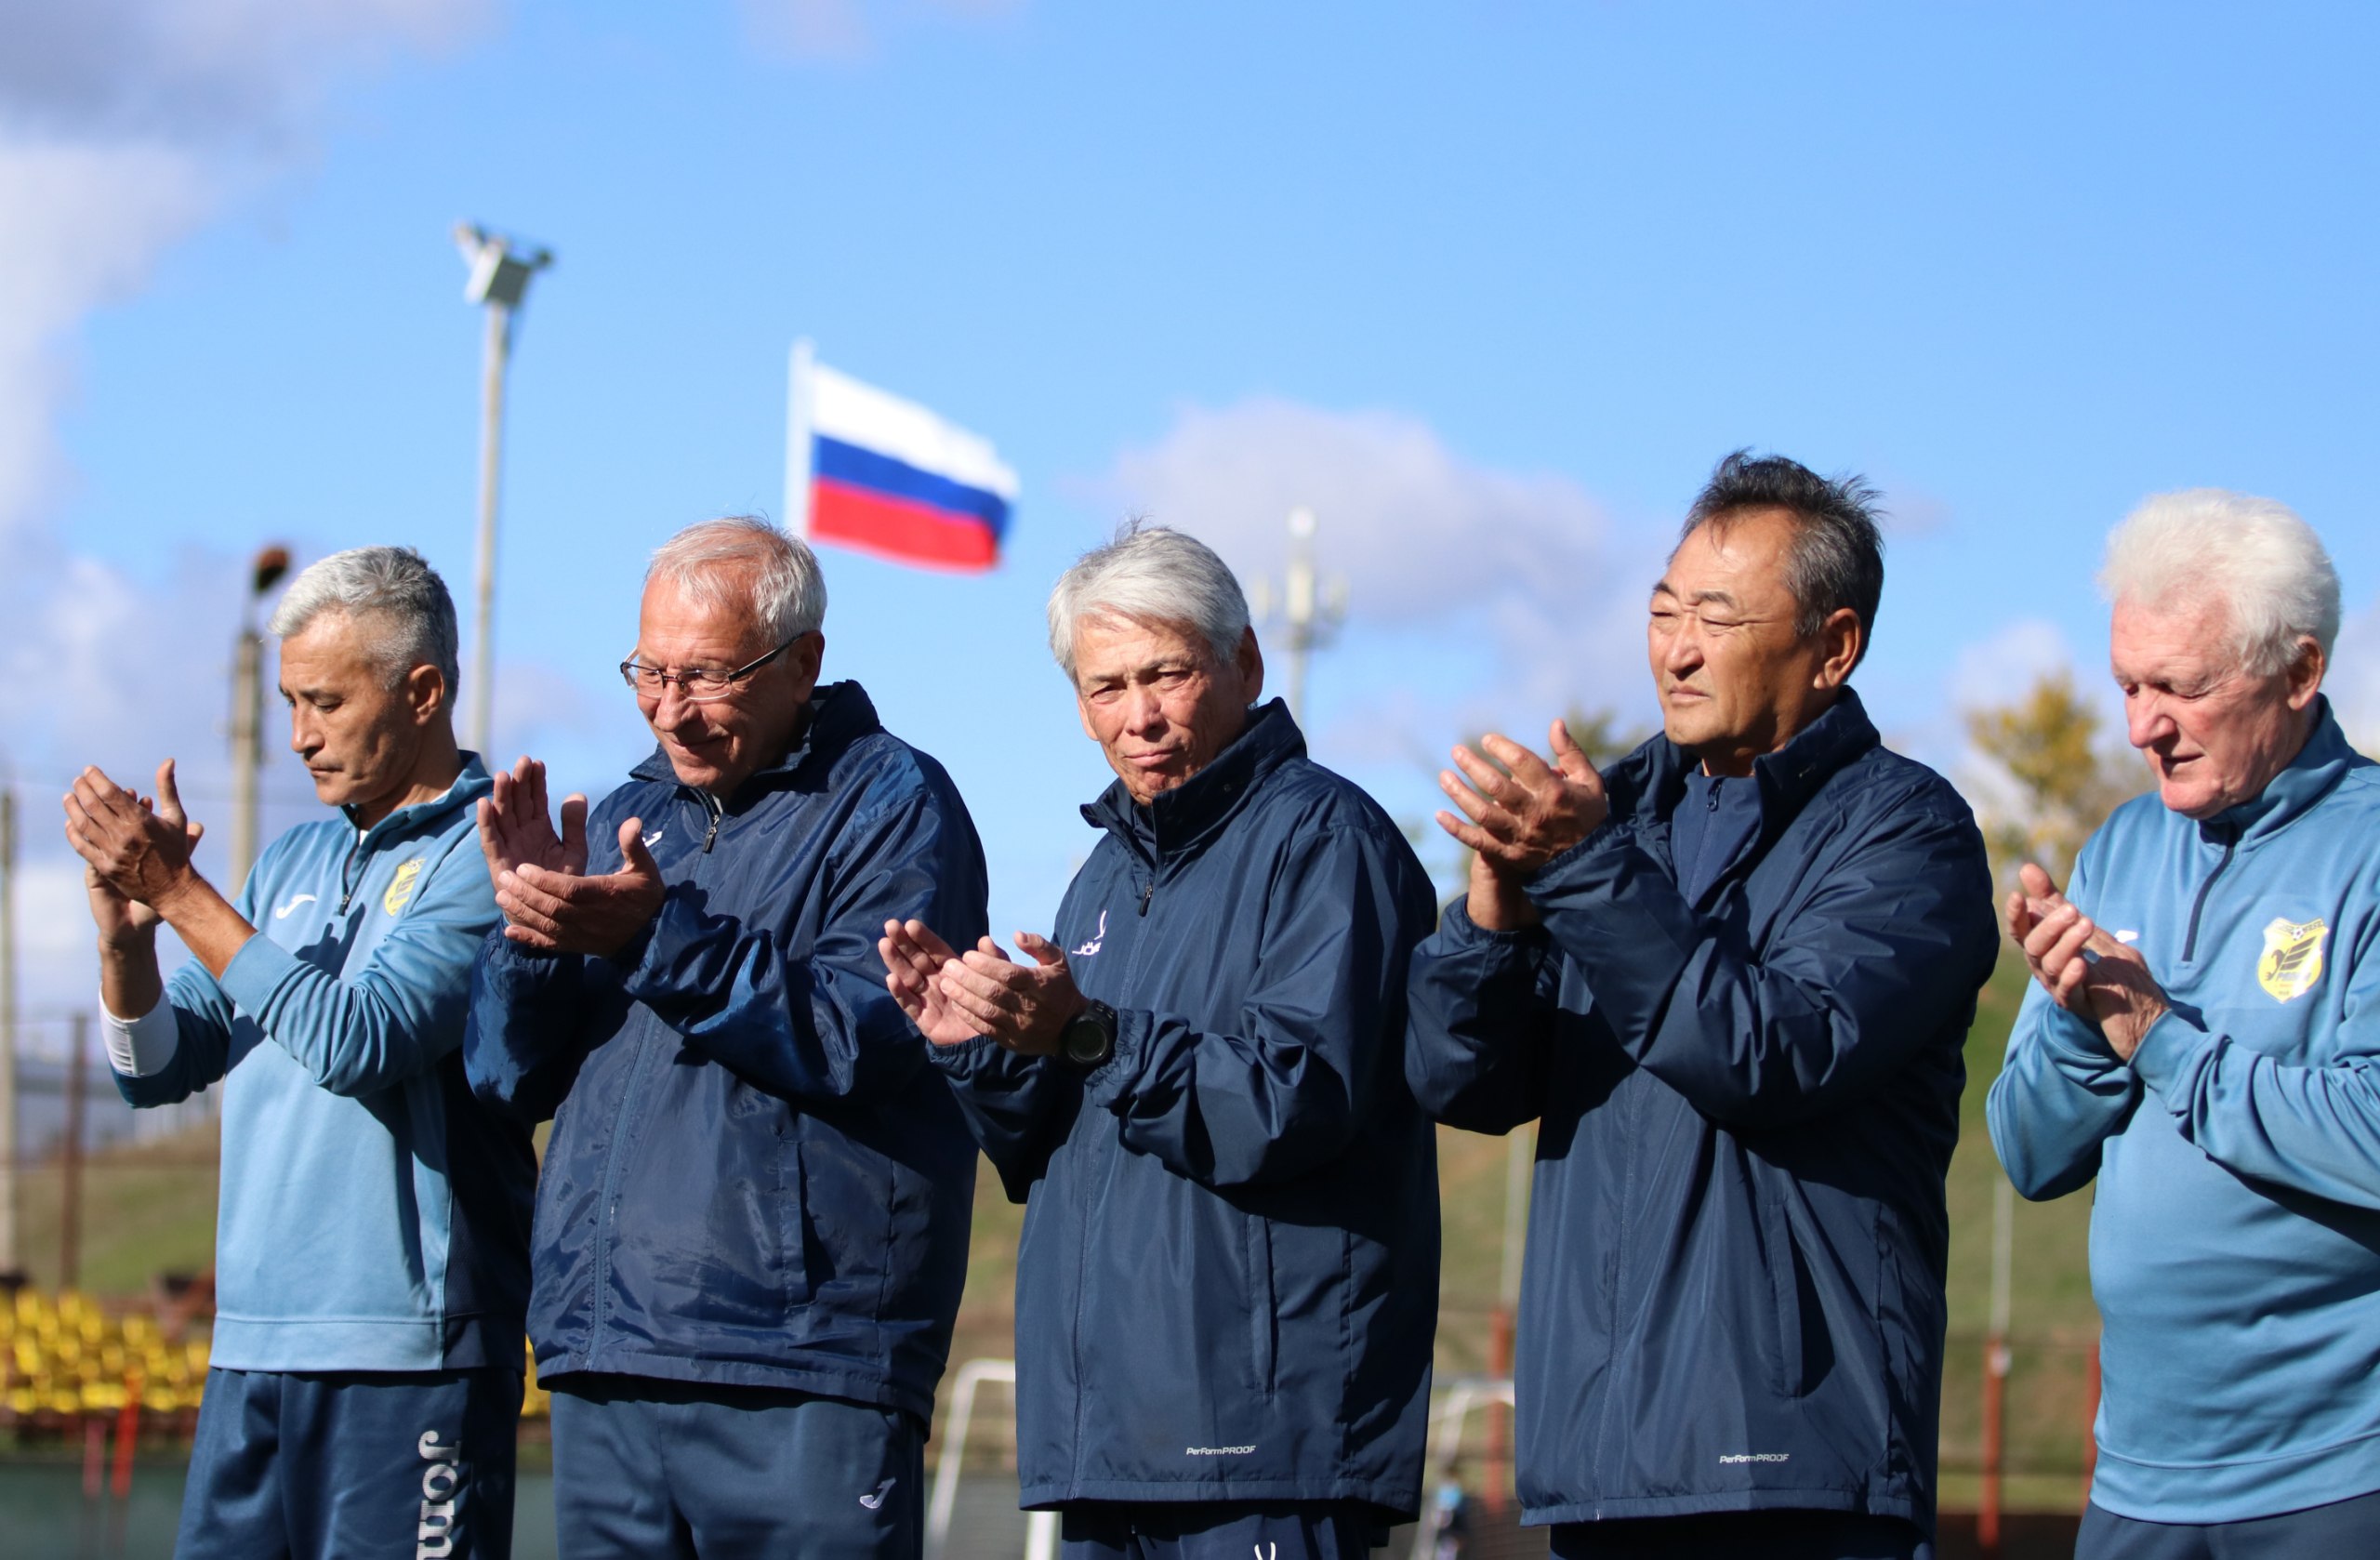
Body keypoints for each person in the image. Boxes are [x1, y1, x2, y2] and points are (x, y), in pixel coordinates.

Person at [1405, 452, 1998, 1560]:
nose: (1675, 649)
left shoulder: (1906, 834)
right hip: (1597, 1470)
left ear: (1833, 646)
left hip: (1795, 1468)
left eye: (1716, 618)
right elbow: (1462, 1082)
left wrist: (1582, 873)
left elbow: (1769, 1053)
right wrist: (1492, 917)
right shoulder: (1614, 815)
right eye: (1662, 611)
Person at [881, 524, 1439, 1560]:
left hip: (1267, 1444)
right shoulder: (1100, 875)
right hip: (1107, 1443)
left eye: (1165, 674)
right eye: (1105, 687)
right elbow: (1048, 1148)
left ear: (1245, 664)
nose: (1137, 716)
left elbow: (1291, 1104)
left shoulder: (1329, 842)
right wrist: (977, 1047)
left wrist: (1088, 1034)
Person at [464, 516, 987, 1559]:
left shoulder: (896, 803)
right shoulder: (627, 814)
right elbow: (503, 1076)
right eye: (647, 673)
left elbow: (858, 1034)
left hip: (803, 1362)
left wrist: (654, 935)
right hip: (604, 1353)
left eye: (704, 676)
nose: (669, 710)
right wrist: (532, 939)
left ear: (804, 662)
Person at [63, 546, 531, 1560]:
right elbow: (158, 1069)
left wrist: (180, 893)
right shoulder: (291, 860)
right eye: (288, 702)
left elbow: (359, 1040)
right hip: (251, 1350)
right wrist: (128, 942)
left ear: (422, 692)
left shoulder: (489, 853)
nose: (299, 737)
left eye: (325, 702)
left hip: (407, 1359)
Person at [1987, 491, 2380, 1556]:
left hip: (2337, 1475)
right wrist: (2079, 1022)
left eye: (2181, 687)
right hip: (2135, 1478)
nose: (2141, 727)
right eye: (2128, 684)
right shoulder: (2118, 846)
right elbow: (2026, 1153)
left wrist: (2156, 1034)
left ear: (2299, 671)